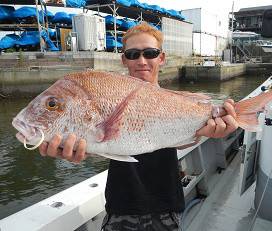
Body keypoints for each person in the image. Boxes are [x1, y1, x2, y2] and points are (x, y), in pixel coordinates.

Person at [39, 22, 238, 231]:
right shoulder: (111, 96)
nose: (142, 61)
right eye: (133, 54)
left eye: (150, 53)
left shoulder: (176, 101)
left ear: (161, 57)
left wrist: (208, 130)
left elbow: (183, 139)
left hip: (167, 205)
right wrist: (78, 151)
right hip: (121, 207)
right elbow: (102, 141)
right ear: (124, 59)